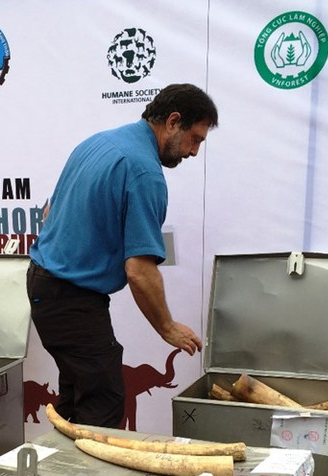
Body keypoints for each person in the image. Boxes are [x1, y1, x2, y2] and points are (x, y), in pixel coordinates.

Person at [28, 82, 217, 428]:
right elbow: (139, 271)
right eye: (195, 139)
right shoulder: (145, 173)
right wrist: (167, 327)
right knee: (104, 404)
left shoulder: (97, 142)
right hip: (71, 299)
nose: (193, 152)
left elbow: (48, 213)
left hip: (46, 287)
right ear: (173, 122)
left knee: (77, 397)